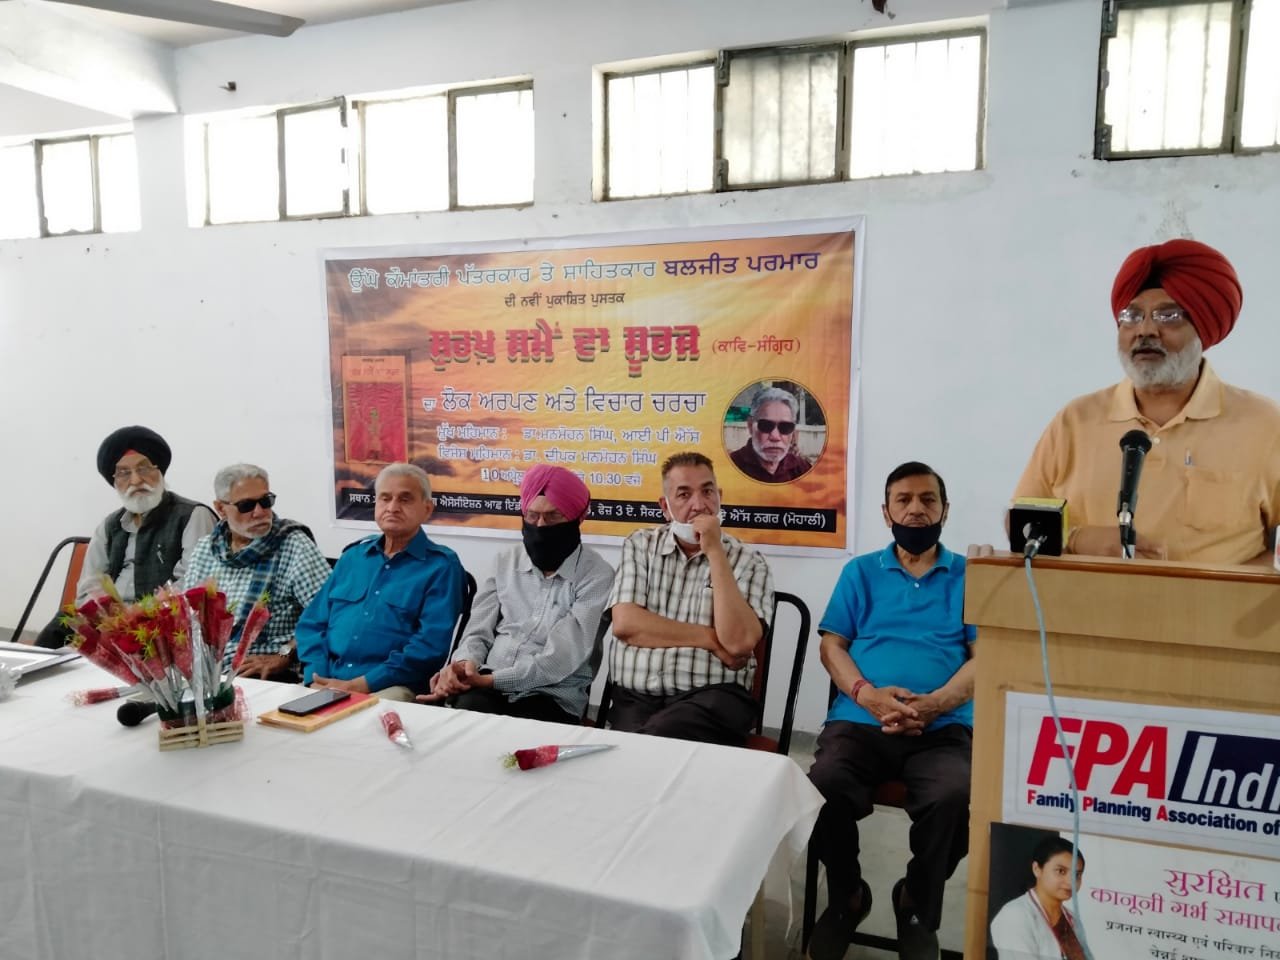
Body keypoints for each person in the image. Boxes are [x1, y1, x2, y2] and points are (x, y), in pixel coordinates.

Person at [1013, 238, 1280, 565]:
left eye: (1168, 315)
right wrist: (1078, 539)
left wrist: (1230, 588)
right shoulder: (1076, 420)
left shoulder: (1264, 424)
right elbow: (1021, 523)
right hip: (1088, 600)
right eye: (1132, 315)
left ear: (1204, 330)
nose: (1146, 330)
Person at [807, 461, 975, 960]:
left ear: (945, 509)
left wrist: (937, 703)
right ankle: (847, 897)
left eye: (927, 499)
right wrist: (866, 694)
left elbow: (987, 658)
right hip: (861, 720)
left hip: (943, 724)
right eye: (903, 500)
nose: (916, 509)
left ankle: (916, 904)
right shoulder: (860, 572)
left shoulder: (971, 577)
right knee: (822, 786)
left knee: (956, 796)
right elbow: (832, 646)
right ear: (886, 512)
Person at [418, 465, 615, 723]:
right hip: (485, 680)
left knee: (524, 733)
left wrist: (492, 680)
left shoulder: (597, 575)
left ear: (579, 517)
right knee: (461, 721)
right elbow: (477, 630)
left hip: (551, 694)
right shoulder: (505, 561)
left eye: (553, 517)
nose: (540, 526)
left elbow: (560, 660)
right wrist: (464, 666)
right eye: (532, 516)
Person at [605, 451, 774, 746]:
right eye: (684, 495)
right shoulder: (640, 545)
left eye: (707, 492)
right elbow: (626, 624)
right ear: (665, 507)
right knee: (641, 747)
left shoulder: (749, 561)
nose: (699, 505)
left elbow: (738, 643)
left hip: (714, 699)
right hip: (636, 698)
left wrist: (716, 552)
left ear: (719, 497)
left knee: (647, 745)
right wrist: (711, 640)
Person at [35, 425, 217, 648]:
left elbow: (195, 583)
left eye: (144, 468)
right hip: (110, 623)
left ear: (160, 471)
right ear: (114, 481)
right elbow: (90, 583)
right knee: (57, 631)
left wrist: (141, 611)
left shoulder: (193, 516)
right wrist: (104, 614)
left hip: (163, 624)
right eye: (123, 473)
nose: (136, 480)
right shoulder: (109, 525)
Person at [296, 463, 464, 701]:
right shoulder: (353, 557)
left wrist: (361, 684)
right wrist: (316, 676)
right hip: (326, 678)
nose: (392, 507)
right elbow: (312, 624)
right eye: (385, 498)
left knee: (366, 719)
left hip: (391, 686)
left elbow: (430, 647)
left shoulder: (441, 566)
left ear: (427, 509)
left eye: (405, 499)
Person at [181, 464, 332, 681]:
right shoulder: (206, 548)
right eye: (246, 505)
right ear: (221, 509)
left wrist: (284, 654)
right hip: (209, 669)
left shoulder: (293, 544)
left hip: (264, 671)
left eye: (266, 501)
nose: (260, 512)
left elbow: (330, 614)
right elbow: (189, 617)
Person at [989, 836, 1087, 960]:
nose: (1070, 882)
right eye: (1061, 871)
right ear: (1037, 869)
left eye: (1077, 875)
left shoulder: (1073, 919)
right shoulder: (1015, 915)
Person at [730, 385, 814, 483]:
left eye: (785, 427)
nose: (775, 437)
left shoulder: (802, 469)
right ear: (750, 426)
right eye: (766, 425)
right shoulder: (730, 466)